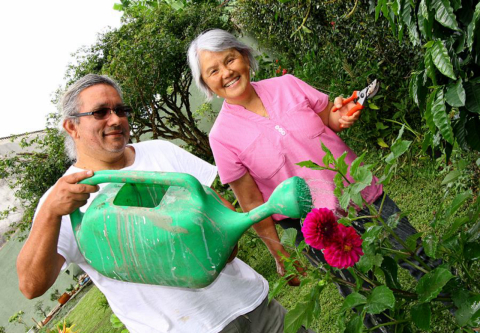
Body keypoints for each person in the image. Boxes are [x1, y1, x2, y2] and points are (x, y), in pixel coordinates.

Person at [16, 74, 313, 333]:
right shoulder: (65, 197)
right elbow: (31, 285)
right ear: (72, 127)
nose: (116, 119)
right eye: (100, 112)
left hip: (252, 306)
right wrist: (50, 213)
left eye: (120, 109)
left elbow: (226, 221)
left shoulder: (160, 152)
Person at [187, 29, 425, 289]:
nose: (226, 72)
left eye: (230, 59)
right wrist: (281, 254)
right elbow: (254, 204)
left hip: (357, 191)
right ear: (206, 83)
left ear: (244, 56)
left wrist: (342, 115)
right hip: (314, 227)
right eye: (213, 70)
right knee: (362, 293)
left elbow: (329, 120)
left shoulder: (287, 84)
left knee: (416, 255)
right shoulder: (222, 137)